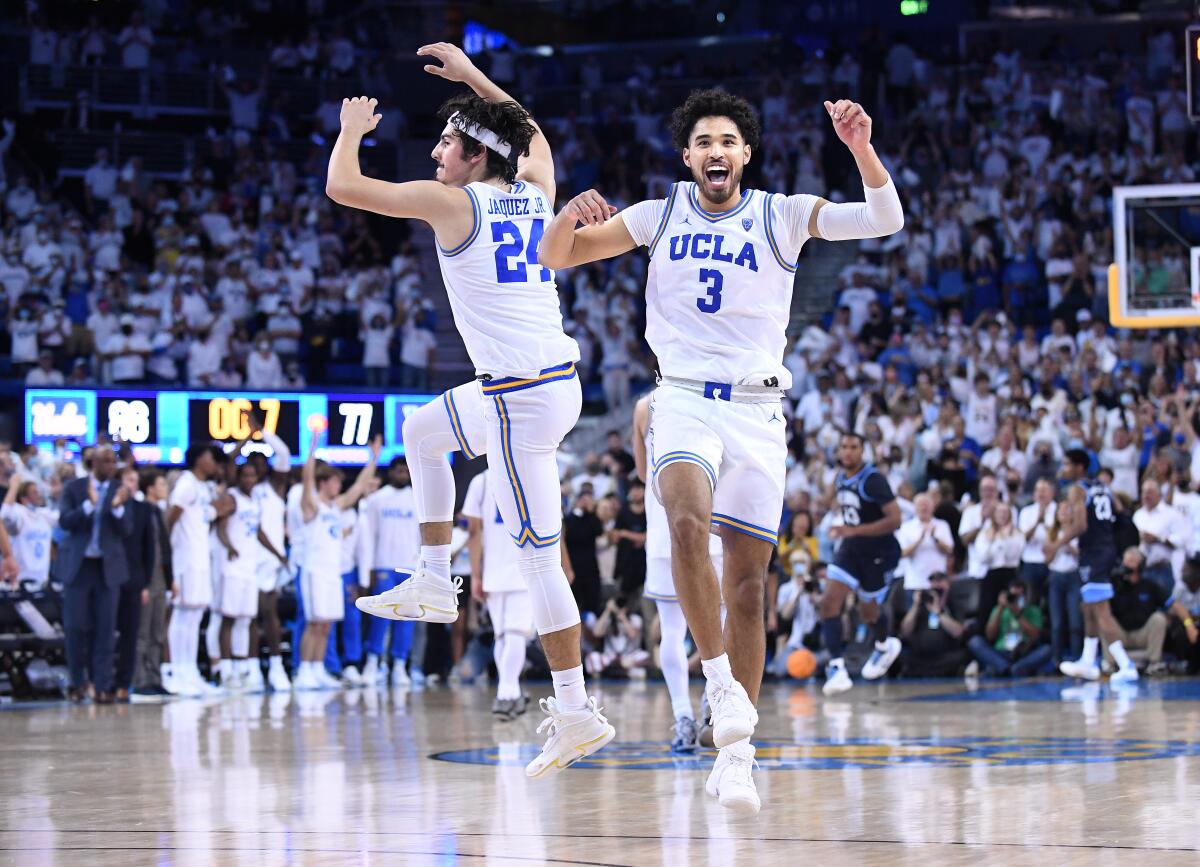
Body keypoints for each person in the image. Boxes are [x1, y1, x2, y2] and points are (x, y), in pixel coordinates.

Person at [538, 88, 903, 812]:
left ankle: (737, 750)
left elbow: (885, 218)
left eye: (727, 140)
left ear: (745, 153)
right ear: (687, 156)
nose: (715, 151)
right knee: (681, 521)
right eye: (703, 140)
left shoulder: (781, 213)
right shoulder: (657, 212)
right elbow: (554, 258)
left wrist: (860, 148)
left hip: (759, 410)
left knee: (748, 586)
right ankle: (720, 686)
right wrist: (566, 216)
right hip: (680, 398)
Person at [333, 43, 613, 775]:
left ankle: (577, 711)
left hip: (522, 397)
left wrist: (351, 130)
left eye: (447, 141)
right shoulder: (536, 188)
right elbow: (530, 131)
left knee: (538, 560)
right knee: (421, 430)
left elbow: (343, 188)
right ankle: (432, 573)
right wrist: (474, 81)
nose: (434, 151)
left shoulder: (454, 203)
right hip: (524, 384)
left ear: (475, 156)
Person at [633, 395, 724, 753]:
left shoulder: (644, 407)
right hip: (710, 520)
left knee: (671, 630)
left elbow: (643, 474)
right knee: (719, 619)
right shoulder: (709, 395)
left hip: (663, 524)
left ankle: (683, 716)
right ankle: (711, 704)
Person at [295, 432, 380, 690]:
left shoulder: (336, 507)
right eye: (334, 482)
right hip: (314, 572)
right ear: (323, 483)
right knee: (313, 623)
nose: (339, 487)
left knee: (326, 624)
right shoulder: (311, 506)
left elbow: (358, 488)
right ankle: (304, 671)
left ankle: (318, 668)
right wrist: (311, 446)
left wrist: (373, 457)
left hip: (333, 574)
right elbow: (306, 478)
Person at [821, 433, 904, 695]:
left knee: (868, 611)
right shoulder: (840, 478)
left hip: (879, 551)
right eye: (843, 447)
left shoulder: (873, 479)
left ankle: (883, 645)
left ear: (863, 451)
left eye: (854, 447)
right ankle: (836, 668)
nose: (847, 452)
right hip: (851, 549)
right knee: (828, 603)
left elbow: (895, 520)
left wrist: (853, 531)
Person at [55, 445, 133, 703]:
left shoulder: (119, 490)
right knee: (76, 627)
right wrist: (90, 505)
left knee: (106, 629)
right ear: (94, 463)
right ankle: (78, 683)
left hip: (107, 569)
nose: (111, 466)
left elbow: (126, 530)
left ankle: (102, 685)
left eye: (113, 461)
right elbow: (65, 521)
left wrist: (118, 507)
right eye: (106, 461)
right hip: (80, 567)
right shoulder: (75, 488)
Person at [1055, 448, 1139, 683]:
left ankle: (1126, 664)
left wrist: (1056, 543)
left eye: (1067, 464)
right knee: (1088, 607)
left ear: (1080, 468)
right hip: (1103, 549)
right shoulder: (1102, 487)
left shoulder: (1077, 490)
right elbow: (1120, 512)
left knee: (1101, 610)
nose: (1063, 469)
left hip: (1095, 553)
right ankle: (1088, 660)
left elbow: (1080, 526)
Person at [463, 466, 533, 720]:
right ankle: (506, 694)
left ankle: (510, 694)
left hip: (493, 570)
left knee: (503, 636)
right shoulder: (531, 473)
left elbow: (473, 532)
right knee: (514, 634)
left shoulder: (480, 481)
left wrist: (476, 574)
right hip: (526, 567)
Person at [165, 444, 235, 697]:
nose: (213, 462)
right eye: (209, 457)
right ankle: (176, 671)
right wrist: (166, 556)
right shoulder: (185, 483)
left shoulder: (204, 487)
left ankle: (190, 671)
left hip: (201, 558)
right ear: (197, 459)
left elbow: (205, 514)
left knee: (195, 616)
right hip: (184, 558)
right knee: (182, 614)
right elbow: (170, 520)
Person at [241, 414, 292, 691]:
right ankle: (251, 669)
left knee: (269, 613)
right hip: (246, 559)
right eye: (253, 464)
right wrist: (246, 440)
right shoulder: (242, 492)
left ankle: (275, 667)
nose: (259, 467)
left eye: (262, 463)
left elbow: (283, 452)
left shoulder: (274, 487)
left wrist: (261, 433)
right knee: (249, 615)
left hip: (270, 560)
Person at [362, 457, 421, 688]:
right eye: (399, 470)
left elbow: (422, 537)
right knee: (381, 618)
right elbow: (369, 537)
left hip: (410, 567)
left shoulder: (418, 499)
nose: (403, 474)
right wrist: (369, 571)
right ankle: (372, 662)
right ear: (391, 473)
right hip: (384, 565)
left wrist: (422, 570)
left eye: (406, 470)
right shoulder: (377, 499)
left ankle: (399, 665)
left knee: (406, 620)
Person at [214, 463, 266, 689]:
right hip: (234, 566)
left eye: (252, 475)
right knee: (229, 618)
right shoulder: (231, 498)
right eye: (245, 475)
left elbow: (259, 532)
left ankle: (241, 667)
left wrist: (278, 553)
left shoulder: (255, 501)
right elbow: (220, 527)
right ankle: (225, 670)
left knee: (246, 619)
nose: (249, 479)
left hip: (250, 566)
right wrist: (229, 546)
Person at [1108, 548, 1198, 675]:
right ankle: (1110, 664)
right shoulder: (1115, 586)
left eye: (1132, 561)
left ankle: (1154, 663)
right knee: (1105, 619)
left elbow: (1176, 605)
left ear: (1141, 565)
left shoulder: (1150, 586)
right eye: (1126, 562)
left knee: (1159, 618)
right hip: (1122, 634)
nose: (1127, 565)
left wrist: (1189, 625)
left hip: (1143, 634)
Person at [131, 469, 172, 700]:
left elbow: (166, 550)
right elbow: (139, 550)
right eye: (161, 484)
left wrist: (171, 579)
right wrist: (142, 583)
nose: (165, 489)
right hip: (146, 578)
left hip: (161, 577)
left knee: (158, 631)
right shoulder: (140, 511)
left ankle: (156, 678)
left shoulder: (158, 511)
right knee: (143, 632)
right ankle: (139, 680)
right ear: (150, 488)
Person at [114, 465, 154, 702]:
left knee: (130, 634)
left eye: (135, 480)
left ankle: (123, 683)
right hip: (108, 579)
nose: (133, 483)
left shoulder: (144, 509)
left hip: (134, 579)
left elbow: (148, 549)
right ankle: (102, 682)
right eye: (129, 479)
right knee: (106, 633)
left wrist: (146, 583)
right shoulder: (107, 506)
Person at [966, 577, 1052, 677]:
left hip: (1023, 653)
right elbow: (990, 636)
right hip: (1001, 652)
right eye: (1012, 596)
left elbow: (1035, 635)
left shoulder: (1033, 611)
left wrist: (1017, 614)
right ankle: (1006, 668)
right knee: (975, 642)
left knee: (1047, 650)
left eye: (1018, 596)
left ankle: (1008, 668)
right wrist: (1000, 608)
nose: (1015, 599)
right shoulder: (999, 610)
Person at [2, 478, 59, 590]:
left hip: (42, 580)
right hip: (20, 579)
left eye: (38, 492)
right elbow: (4, 514)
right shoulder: (18, 512)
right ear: (23, 498)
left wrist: (59, 494)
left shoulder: (44, 514)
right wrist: (14, 486)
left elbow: (65, 519)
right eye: (34, 492)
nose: (38, 495)